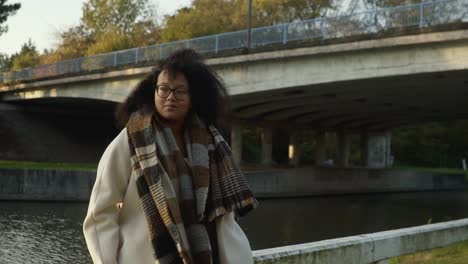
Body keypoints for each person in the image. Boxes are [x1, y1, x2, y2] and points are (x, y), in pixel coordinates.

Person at [83, 49, 257, 264]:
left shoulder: (212, 141)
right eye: (163, 89)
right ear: (153, 92)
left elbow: (225, 216)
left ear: (194, 97)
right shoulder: (132, 139)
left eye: (180, 91)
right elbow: (101, 211)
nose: (170, 98)